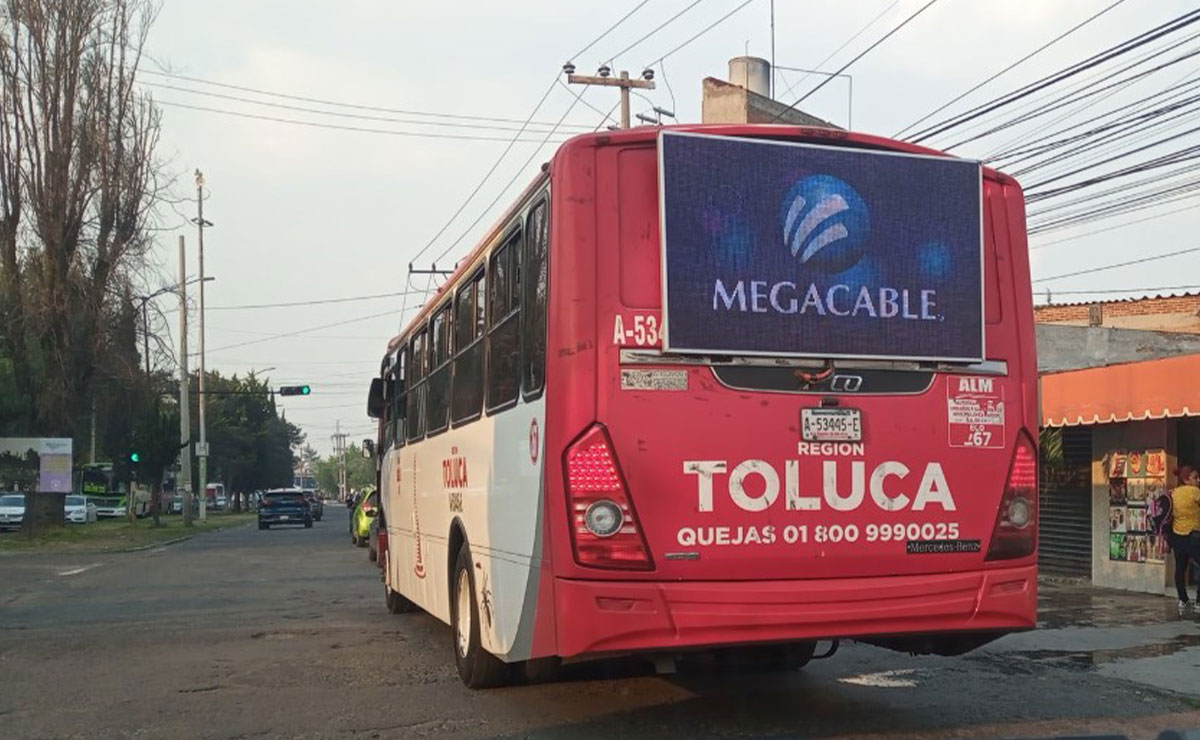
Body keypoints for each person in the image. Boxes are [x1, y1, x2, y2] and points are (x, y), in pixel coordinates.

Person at [1171, 465, 1200, 612]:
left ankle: (1183, 599)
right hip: (1194, 534)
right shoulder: (1195, 492)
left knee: (1180, 568)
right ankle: (1199, 601)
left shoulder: (1174, 493)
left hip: (1177, 535)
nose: (1198, 480)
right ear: (1186, 479)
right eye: (1195, 477)